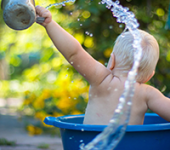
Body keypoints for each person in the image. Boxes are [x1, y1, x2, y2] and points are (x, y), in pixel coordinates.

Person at [35, 6, 170, 125]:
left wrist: (50, 23)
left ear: (112, 61)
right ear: (150, 75)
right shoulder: (148, 94)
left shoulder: (101, 80)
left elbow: (74, 53)